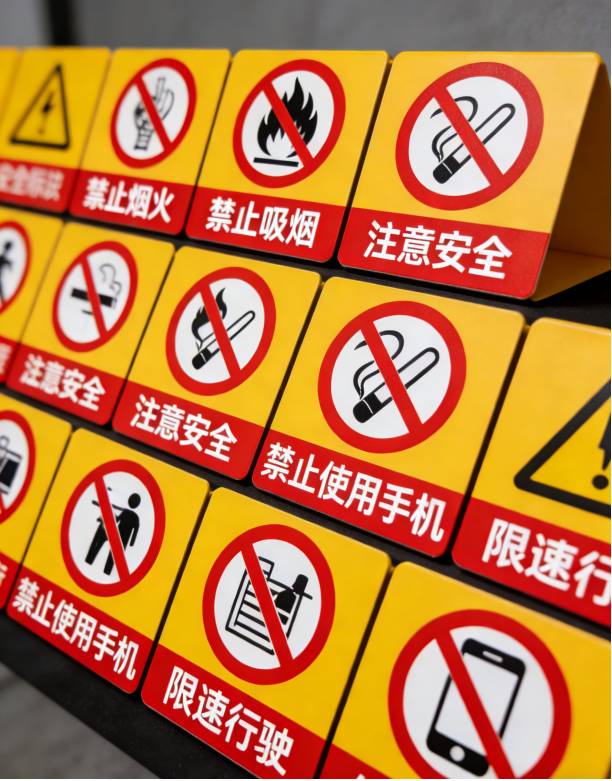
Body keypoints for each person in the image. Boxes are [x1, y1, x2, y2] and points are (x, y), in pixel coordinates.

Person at [85, 493, 141, 575]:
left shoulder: (125, 512)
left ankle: (89, 561)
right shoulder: (136, 518)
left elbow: (117, 520)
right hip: (123, 541)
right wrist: (131, 543)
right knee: (113, 557)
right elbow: (135, 533)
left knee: (109, 552)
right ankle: (107, 571)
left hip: (117, 536)